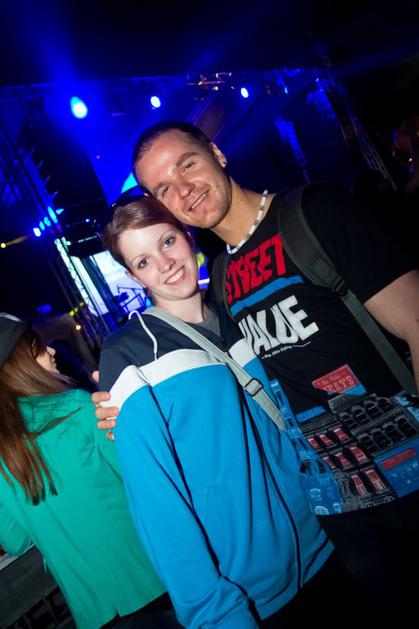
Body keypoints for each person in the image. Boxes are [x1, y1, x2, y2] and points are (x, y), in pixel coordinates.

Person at [96, 120, 419, 622]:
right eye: (164, 188)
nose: (183, 189)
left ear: (217, 153)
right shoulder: (222, 283)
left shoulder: (312, 213)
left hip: (393, 487)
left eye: (187, 164)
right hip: (336, 512)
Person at [0, 313, 177, 629]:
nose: (52, 350)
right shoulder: (76, 407)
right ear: (21, 366)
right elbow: (141, 478)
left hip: (93, 610)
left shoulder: (3, 454)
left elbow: (15, 540)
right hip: (152, 577)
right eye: (39, 348)